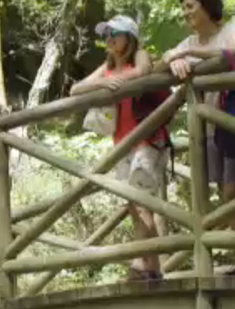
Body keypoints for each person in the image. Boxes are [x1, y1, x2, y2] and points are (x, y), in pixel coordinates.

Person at [160, 0, 235, 276]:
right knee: (226, 191)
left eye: (190, 6)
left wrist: (182, 54)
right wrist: (173, 58)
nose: (185, 13)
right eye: (183, 8)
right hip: (210, 125)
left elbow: (230, 54)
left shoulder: (232, 29)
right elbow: (162, 62)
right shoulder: (187, 43)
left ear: (208, 5)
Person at [72, 15, 168, 280]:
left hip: (147, 140)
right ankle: (152, 267)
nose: (110, 39)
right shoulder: (107, 67)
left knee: (142, 203)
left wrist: (115, 78)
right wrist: (101, 82)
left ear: (130, 37)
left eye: (115, 33)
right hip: (121, 143)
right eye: (106, 34)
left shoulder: (141, 55)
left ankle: (143, 264)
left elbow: (141, 73)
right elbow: (74, 89)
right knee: (133, 205)